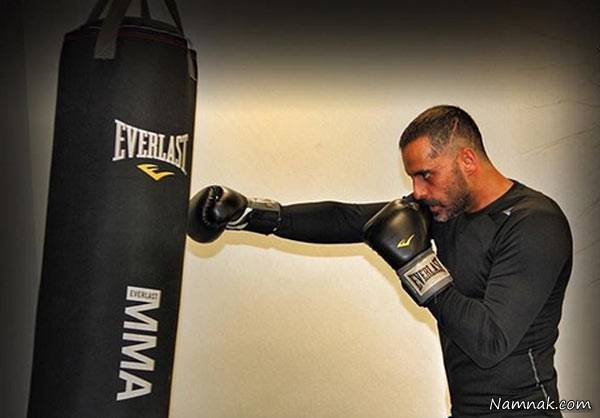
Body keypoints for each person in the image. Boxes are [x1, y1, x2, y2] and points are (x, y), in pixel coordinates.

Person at [187, 105, 572, 417]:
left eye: (426, 175)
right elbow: (345, 219)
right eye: (412, 178)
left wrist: (419, 266)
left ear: (467, 160)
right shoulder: (446, 211)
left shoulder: (534, 222)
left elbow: (490, 341)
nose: (417, 191)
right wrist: (252, 214)